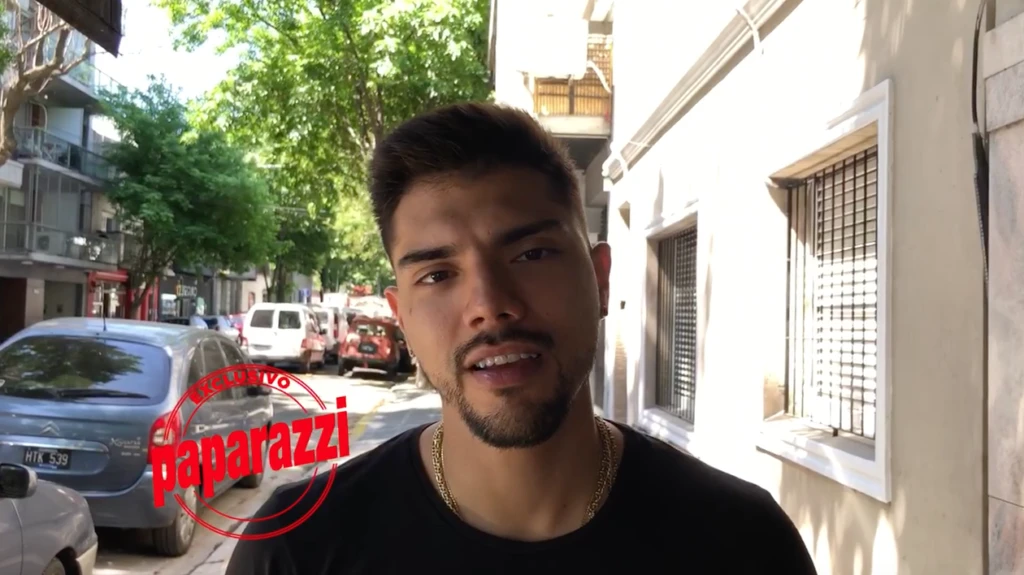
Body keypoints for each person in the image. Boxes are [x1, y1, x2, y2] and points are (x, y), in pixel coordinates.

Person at [225, 103, 818, 574]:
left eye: (532, 254)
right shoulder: (298, 549)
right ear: (401, 316)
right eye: (438, 275)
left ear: (601, 280)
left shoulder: (743, 543)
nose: (489, 305)